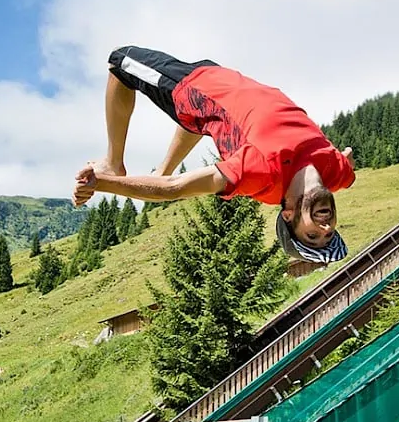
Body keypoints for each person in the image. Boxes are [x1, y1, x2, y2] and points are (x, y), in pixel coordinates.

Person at [72, 46, 356, 265]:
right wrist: (347, 162)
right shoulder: (337, 173)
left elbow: (175, 189)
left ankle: (114, 162)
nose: (325, 226)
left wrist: (102, 183)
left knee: (120, 62)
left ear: (289, 215)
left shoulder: (259, 174)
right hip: (225, 82)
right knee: (210, 122)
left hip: (195, 88)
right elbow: (347, 164)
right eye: (329, 234)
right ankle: (163, 167)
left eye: (312, 235)